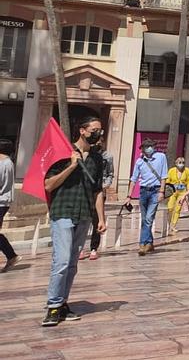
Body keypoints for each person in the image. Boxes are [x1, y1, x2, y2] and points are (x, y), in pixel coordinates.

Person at [41, 117, 107, 326]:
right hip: (63, 212)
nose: (98, 134)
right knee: (60, 261)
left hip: (84, 214)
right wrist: (71, 166)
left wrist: (101, 218)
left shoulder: (98, 159)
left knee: (71, 264)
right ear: (82, 130)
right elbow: (49, 185)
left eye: (101, 131)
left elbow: (97, 191)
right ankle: (52, 307)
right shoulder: (63, 152)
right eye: (94, 130)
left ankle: (62, 303)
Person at [128, 140, 167, 256]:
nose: (148, 148)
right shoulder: (139, 161)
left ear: (154, 147)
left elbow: (164, 175)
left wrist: (162, 191)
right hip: (143, 191)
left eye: (150, 146)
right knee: (145, 219)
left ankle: (142, 244)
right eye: (146, 147)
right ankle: (149, 242)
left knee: (149, 218)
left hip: (155, 190)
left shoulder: (161, 157)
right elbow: (133, 179)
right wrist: (128, 196)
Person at [82, 137, 113, 261]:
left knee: (96, 220)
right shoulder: (86, 155)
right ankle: (81, 248)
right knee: (84, 221)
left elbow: (110, 173)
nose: (98, 143)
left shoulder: (107, 156)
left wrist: (104, 185)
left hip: (99, 192)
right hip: (86, 192)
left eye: (100, 141)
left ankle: (94, 248)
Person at [0, 138, 17, 272]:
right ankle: (11, 256)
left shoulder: (3, 164)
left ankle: (11, 255)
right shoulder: (8, 163)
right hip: (4, 201)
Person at [164, 156, 189, 236]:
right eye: (179, 163)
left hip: (182, 192)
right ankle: (168, 223)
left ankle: (173, 225)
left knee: (178, 209)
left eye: (183, 163)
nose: (181, 164)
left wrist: (188, 192)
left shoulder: (187, 170)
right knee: (170, 208)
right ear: (176, 163)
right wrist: (167, 189)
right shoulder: (171, 171)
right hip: (173, 192)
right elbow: (167, 181)